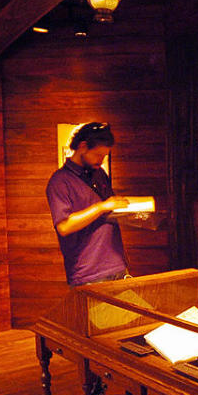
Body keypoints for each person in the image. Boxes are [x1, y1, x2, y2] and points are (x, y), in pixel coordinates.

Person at [46, 122, 130, 285]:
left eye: (105, 156)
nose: (101, 160)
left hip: (117, 265)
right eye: (98, 155)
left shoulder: (99, 174)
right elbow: (64, 227)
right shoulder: (60, 181)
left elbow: (108, 211)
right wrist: (101, 207)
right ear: (83, 146)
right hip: (89, 273)